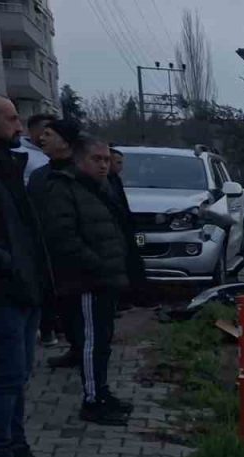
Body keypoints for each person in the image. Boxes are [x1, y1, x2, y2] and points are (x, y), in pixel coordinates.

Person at [0, 93, 65, 457]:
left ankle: (16, 451)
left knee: (18, 376)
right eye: (11, 119)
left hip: (24, 288)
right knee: (5, 377)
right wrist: (8, 262)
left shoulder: (6, 165)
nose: (20, 127)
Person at [42, 135, 133, 426]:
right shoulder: (63, 188)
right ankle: (93, 400)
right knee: (92, 342)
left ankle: (102, 392)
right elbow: (64, 238)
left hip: (104, 280)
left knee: (103, 341)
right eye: (97, 159)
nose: (104, 165)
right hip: (86, 282)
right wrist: (99, 266)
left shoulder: (99, 188)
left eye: (107, 159)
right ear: (80, 160)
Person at [28, 119, 82, 368]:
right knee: (62, 305)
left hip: (77, 254)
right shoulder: (40, 176)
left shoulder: (82, 173)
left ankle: (86, 352)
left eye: (48, 134)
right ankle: (74, 347)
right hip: (47, 254)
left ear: (64, 141)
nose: (42, 138)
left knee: (80, 307)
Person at [108, 145, 147, 309]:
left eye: (122, 163)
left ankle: (136, 296)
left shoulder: (115, 180)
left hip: (127, 228)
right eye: (117, 162)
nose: (120, 167)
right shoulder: (104, 182)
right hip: (115, 230)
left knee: (133, 262)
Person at [13, 112, 55, 184]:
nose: (47, 134)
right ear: (31, 131)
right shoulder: (17, 153)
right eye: (44, 131)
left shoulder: (55, 152)